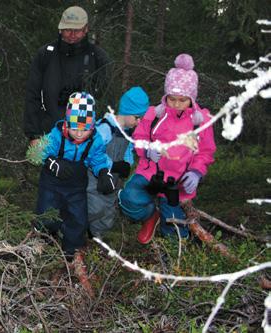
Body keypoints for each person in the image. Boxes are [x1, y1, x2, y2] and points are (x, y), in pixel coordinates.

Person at [118, 54, 216, 244]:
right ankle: (150, 216)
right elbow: (138, 137)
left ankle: (178, 254)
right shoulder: (154, 115)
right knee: (128, 200)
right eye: (172, 99)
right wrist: (147, 150)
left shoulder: (201, 122)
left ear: (192, 98)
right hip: (151, 174)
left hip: (177, 183)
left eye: (182, 100)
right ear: (166, 96)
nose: (177, 104)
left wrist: (196, 172)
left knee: (174, 229)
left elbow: (205, 152)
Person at [34, 92, 114, 258]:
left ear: (92, 128)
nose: (79, 134)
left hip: (76, 186)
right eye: (75, 128)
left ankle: (72, 252)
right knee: (48, 216)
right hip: (52, 184)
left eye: (84, 130)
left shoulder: (95, 140)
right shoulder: (57, 136)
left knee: (78, 219)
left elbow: (98, 159)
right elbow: (40, 150)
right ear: (67, 124)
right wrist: (52, 162)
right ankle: (42, 242)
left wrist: (104, 173)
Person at [24, 5, 112, 146]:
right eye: (67, 29)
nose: (71, 34)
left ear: (86, 29)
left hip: (86, 139)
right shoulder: (45, 55)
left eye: (76, 30)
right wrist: (34, 134)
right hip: (49, 135)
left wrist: (100, 136)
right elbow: (32, 95)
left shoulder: (98, 58)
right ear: (60, 29)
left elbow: (105, 100)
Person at [87, 87, 150, 239]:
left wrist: (127, 163)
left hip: (113, 181)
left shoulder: (127, 132)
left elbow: (128, 149)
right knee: (95, 208)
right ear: (127, 112)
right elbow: (92, 152)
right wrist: (113, 165)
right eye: (137, 117)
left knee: (108, 210)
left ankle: (97, 238)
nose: (139, 122)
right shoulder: (105, 128)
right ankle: (83, 232)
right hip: (95, 179)